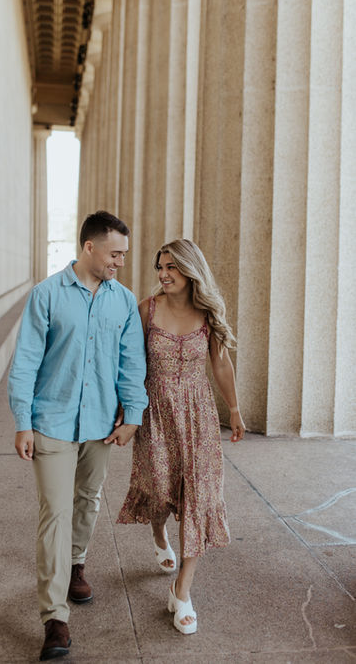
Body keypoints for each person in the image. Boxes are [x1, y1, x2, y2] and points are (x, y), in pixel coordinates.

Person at [8, 210, 148, 660]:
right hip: (51, 420)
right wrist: (23, 421)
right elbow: (26, 360)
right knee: (55, 512)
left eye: (124, 254)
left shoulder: (123, 301)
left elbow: (132, 363)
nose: (121, 262)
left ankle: (75, 564)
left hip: (101, 425)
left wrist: (133, 415)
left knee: (87, 501)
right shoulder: (47, 295)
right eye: (115, 253)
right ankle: (55, 618)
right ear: (89, 247)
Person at [117, 238, 245, 635]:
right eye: (160, 267)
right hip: (156, 413)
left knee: (199, 499)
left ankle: (182, 591)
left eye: (171, 267)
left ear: (190, 270)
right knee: (158, 489)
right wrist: (124, 409)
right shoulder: (146, 309)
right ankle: (158, 530)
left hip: (198, 416)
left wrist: (234, 409)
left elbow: (220, 364)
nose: (163, 274)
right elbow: (129, 364)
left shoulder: (207, 313)